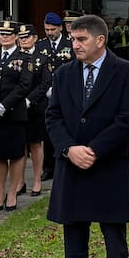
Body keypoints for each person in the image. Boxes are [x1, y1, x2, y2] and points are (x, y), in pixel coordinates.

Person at [45, 14, 129, 258]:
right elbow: (53, 116)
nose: (75, 45)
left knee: (114, 236)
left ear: (100, 40)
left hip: (107, 165)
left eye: (81, 39)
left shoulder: (125, 72)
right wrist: (69, 149)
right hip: (71, 166)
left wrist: (95, 150)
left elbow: (126, 119)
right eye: (73, 39)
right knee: (74, 236)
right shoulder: (63, 74)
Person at [0, 20, 32, 211]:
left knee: (15, 154)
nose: (4, 37)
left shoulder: (24, 57)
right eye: (2, 34)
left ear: (15, 37)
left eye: (8, 34)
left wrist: (5, 105)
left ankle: (13, 191)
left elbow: (24, 85)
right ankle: (0, 192)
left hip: (14, 112)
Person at [16, 23, 49, 197]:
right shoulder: (14, 56)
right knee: (20, 145)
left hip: (35, 106)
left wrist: (29, 100)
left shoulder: (42, 58)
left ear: (35, 38)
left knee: (35, 144)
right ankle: (19, 181)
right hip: (16, 107)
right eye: (21, 37)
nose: (24, 40)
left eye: (27, 37)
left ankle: (37, 180)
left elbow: (45, 83)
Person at [38, 11, 71, 181]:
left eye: (52, 29)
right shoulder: (40, 45)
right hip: (45, 96)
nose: (49, 32)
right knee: (47, 132)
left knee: (64, 129)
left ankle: (64, 163)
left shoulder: (69, 44)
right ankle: (48, 168)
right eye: (47, 29)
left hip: (65, 95)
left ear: (60, 28)